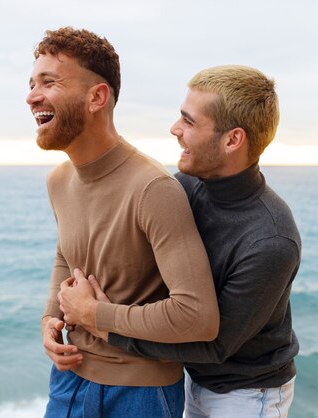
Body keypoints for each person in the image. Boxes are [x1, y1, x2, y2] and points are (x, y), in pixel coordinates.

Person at [63, 65, 301, 417]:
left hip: (248, 394)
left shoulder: (270, 239)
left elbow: (213, 345)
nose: (175, 129)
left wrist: (101, 322)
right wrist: (61, 313)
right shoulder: (185, 188)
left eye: (189, 122)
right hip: (189, 378)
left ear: (232, 140)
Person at [26, 27, 220, 418]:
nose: (31, 96)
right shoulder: (59, 180)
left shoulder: (153, 189)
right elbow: (68, 252)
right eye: (31, 83)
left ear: (97, 97)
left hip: (140, 394)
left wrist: (95, 315)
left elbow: (198, 317)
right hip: (67, 380)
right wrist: (52, 315)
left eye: (49, 82)